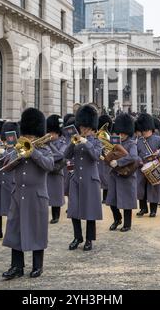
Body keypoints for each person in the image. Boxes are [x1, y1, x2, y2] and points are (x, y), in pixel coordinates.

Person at [2, 109, 54, 280]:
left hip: (36, 196)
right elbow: (6, 166)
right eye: (27, 135)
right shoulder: (18, 148)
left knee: (37, 230)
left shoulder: (45, 148)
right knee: (15, 230)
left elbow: (49, 165)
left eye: (32, 136)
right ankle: (16, 266)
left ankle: (37, 266)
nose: (29, 139)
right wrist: (16, 153)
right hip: (19, 195)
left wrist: (33, 152)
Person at [65, 104, 103, 252]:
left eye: (86, 128)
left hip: (90, 179)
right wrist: (71, 142)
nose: (83, 130)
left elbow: (95, 156)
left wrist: (86, 142)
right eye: (82, 127)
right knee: (73, 210)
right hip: (76, 179)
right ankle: (77, 237)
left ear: (92, 128)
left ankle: (89, 239)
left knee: (90, 211)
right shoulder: (76, 139)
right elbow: (66, 156)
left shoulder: (96, 141)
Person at [106, 114, 138, 232]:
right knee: (112, 200)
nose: (121, 135)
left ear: (128, 132)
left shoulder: (132, 144)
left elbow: (134, 157)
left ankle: (127, 224)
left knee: (126, 201)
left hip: (127, 175)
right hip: (115, 175)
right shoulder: (115, 142)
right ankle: (117, 219)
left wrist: (118, 162)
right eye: (119, 133)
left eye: (123, 133)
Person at [136, 113, 160, 218]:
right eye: (143, 131)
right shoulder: (139, 141)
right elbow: (135, 153)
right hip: (142, 168)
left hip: (154, 167)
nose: (144, 133)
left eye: (145, 130)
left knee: (154, 189)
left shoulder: (157, 139)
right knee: (141, 189)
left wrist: (158, 154)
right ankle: (143, 208)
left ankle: (153, 210)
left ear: (150, 129)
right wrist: (139, 160)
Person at [46, 115, 66, 224]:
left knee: (55, 196)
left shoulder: (62, 143)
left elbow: (60, 155)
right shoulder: (46, 141)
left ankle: (56, 216)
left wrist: (50, 147)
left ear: (58, 133)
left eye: (52, 133)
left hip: (57, 172)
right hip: (47, 171)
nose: (50, 135)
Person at [97, 114, 113, 203]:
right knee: (100, 177)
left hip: (106, 160)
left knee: (106, 178)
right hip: (100, 160)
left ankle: (106, 198)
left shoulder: (108, 136)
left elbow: (111, 149)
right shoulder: (98, 136)